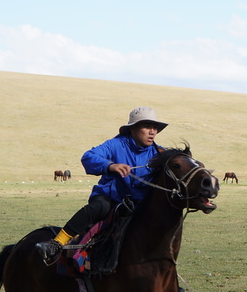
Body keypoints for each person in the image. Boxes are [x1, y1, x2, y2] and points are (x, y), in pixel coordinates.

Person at [35, 107, 168, 264]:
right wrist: (111, 166)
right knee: (98, 207)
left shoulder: (159, 154)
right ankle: (56, 243)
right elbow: (88, 157)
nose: (152, 132)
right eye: (147, 127)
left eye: (155, 128)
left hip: (139, 204)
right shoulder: (115, 144)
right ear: (133, 129)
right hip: (110, 198)